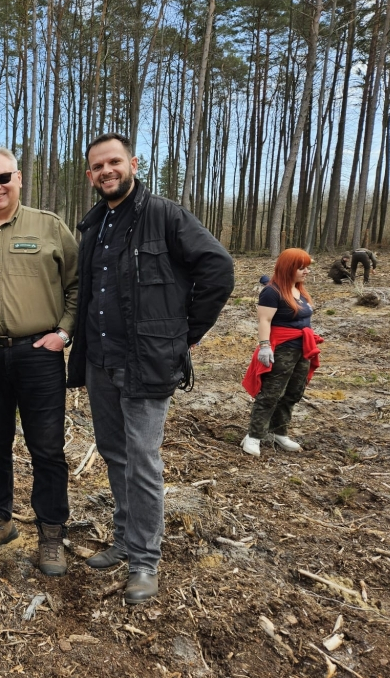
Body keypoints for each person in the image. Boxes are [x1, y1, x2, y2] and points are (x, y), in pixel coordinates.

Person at [67, 133, 234, 604]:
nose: (106, 172)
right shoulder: (95, 224)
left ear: (133, 163)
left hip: (147, 363)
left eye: (114, 162)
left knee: (143, 459)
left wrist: (183, 335)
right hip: (101, 359)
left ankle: (144, 560)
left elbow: (218, 268)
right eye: (98, 166)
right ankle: (124, 538)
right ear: (90, 175)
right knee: (113, 451)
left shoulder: (164, 215)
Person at [0, 146, 78, 577]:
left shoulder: (50, 227)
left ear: (18, 177)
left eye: (2, 177)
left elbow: (79, 285)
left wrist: (63, 332)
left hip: (39, 353)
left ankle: (51, 534)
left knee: (46, 447)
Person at [241, 249, 322, 457]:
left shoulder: (299, 290)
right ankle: (254, 435)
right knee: (271, 392)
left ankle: (278, 432)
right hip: (282, 349)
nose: (307, 272)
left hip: (302, 349)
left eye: (307, 267)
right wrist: (265, 346)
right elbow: (264, 321)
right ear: (288, 268)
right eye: (301, 267)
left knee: (294, 391)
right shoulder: (271, 292)